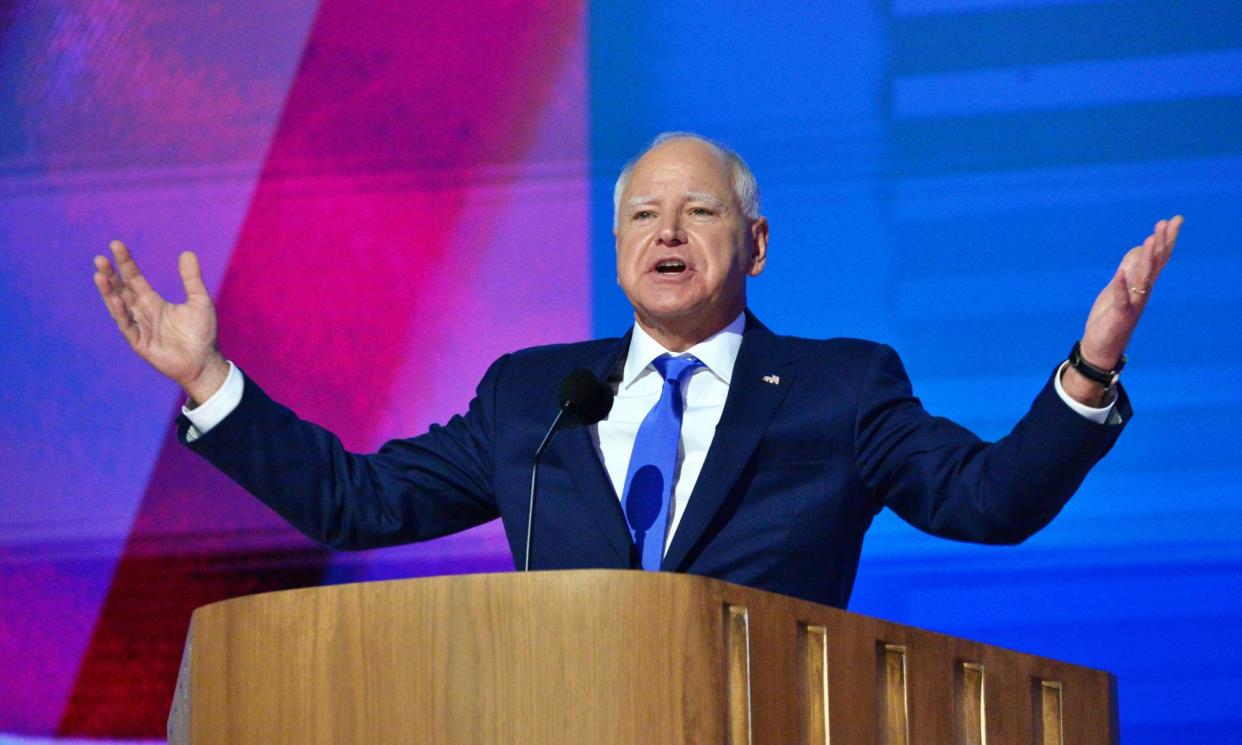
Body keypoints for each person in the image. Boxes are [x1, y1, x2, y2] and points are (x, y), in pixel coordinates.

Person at [93, 133, 1181, 608]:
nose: (669, 231)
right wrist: (211, 383)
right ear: (618, 248)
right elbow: (356, 501)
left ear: (754, 246)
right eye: (642, 215)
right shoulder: (535, 394)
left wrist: (1090, 367)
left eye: (700, 210)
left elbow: (987, 500)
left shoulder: (844, 388)